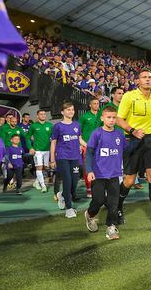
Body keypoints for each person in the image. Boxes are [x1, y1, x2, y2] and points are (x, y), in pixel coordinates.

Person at [116, 69, 151, 230]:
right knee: (129, 180)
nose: (148, 79)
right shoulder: (129, 96)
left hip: (149, 141)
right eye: (144, 77)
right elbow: (120, 119)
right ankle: (118, 208)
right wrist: (132, 130)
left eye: (150, 77)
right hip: (133, 139)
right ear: (138, 81)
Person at [84, 106, 125, 240]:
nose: (112, 120)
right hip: (98, 174)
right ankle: (90, 215)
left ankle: (111, 227)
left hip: (114, 174)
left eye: (114, 117)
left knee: (114, 202)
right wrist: (89, 170)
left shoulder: (119, 134)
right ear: (102, 118)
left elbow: (127, 149)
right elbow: (89, 153)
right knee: (99, 200)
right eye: (109, 117)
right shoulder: (96, 133)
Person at [50, 101, 86, 218]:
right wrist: (52, 159)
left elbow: (79, 139)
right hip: (62, 157)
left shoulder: (76, 125)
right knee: (67, 180)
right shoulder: (58, 126)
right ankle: (69, 208)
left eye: (72, 109)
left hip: (75, 157)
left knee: (74, 181)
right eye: (68, 110)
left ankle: (63, 195)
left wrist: (89, 146)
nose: (71, 112)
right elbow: (53, 143)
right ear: (62, 112)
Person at [80, 98, 102, 198]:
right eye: (94, 103)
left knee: (100, 167)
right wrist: (81, 144)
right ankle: (89, 189)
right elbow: (78, 132)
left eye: (98, 103)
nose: (96, 105)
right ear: (90, 105)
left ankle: (99, 188)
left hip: (100, 145)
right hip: (87, 146)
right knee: (88, 168)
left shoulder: (101, 116)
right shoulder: (84, 116)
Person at [28, 109, 53, 193]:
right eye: (41, 114)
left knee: (46, 168)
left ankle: (36, 182)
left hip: (47, 150)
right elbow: (28, 138)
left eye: (44, 114)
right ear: (37, 116)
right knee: (39, 167)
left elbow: (53, 138)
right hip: (37, 150)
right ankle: (43, 185)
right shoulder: (33, 126)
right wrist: (30, 147)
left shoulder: (50, 125)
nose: (43, 115)